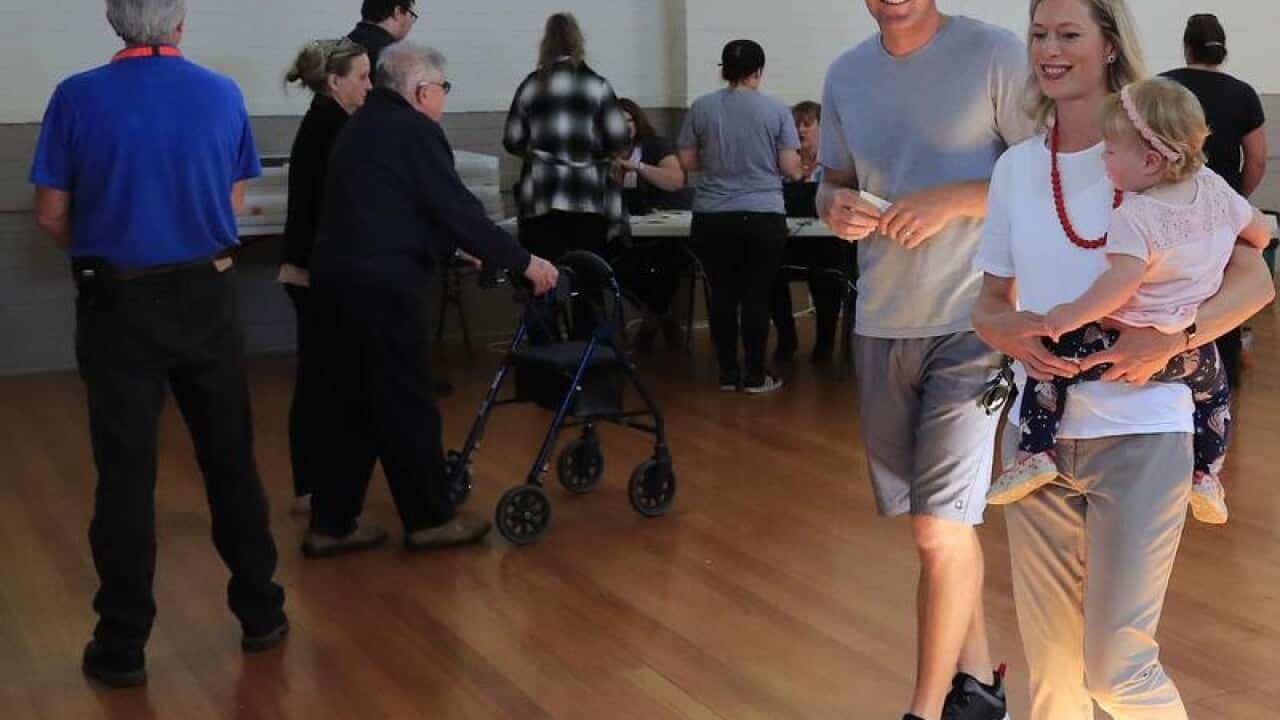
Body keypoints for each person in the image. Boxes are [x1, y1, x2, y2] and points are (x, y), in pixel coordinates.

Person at [971, 0, 1274, 715]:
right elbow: (988, 302)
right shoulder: (1016, 168)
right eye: (1038, 35)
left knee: (1119, 671)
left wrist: (1179, 337)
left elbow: (1256, 279)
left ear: (1110, 45)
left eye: (1068, 34)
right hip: (1037, 443)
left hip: (1145, 434)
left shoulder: (1162, 157)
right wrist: (1006, 331)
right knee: (1053, 678)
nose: (1049, 49)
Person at [29, 0, 288, 688]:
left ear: (115, 22)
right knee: (230, 462)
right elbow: (233, 201)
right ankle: (261, 612)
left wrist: (102, 245)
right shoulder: (222, 93)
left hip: (116, 303)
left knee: (124, 476)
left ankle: (122, 645)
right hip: (207, 295)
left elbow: (51, 215)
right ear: (180, 23)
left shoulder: (75, 97)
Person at [816, 2, 1033, 717]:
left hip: (975, 320)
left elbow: (1047, 176)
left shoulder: (994, 54)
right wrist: (833, 206)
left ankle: (925, 709)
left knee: (936, 527)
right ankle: (981, 690)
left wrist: (954, 201)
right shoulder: (847, 74)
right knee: (944, 526)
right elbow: (832, 180)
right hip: (883, 319)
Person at [303, 42, 559, 556]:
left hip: (336, 279)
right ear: (422, 91)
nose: (443, 97)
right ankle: (429, 519)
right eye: (444, 88)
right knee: (406, 401)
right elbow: (455, 207)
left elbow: (393, 205)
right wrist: (525, 262)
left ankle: (331, 523)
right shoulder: (414, 129)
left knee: (352, 404)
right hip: (381, 285)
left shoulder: (362, 123)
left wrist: (452, 249)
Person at [988, 77, 1272, 526]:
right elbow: (1259, 235)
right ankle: (1206, 474)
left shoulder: (1137, 216)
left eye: (1110, 152)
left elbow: (1118, 286)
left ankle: (1035, 452)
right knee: (1215, 398)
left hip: (1121, 339)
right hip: (1192, 349)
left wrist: (1068, 315)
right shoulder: (1218, 193)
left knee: (1051, 366)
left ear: (1151, 160)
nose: (1103, 161)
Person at [278, 38, 372, 517]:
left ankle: (316, 481)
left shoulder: (328, 121)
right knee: (322, 380)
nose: (370, 86)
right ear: (334, 81)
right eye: (363, 77)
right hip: (318, 273)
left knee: (321, 377)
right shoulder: (333, 128)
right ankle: (315, 484)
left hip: (314, 268)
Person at [679, 39, 803, 394]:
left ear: (724, 70)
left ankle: (727, 372)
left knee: (721, 294)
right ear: (758, 71)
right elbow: (789, 167)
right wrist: (795, 169)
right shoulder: (776, 110)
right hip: (763, 214)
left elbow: (687, 162)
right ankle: (755, 374)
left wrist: (717, 163)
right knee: (756, 295)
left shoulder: (701, 107)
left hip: (712, 215)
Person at [1163, 13, 1269, 388]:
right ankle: (1223, 375)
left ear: (1186, 47)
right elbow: (1257, 159)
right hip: (1223, 215)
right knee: (1223, 292)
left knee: (1170, 290)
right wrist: (1238, 200)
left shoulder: (1162, 88)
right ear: (1223, 49)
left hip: (1167, 209)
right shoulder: (1243, 94)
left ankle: (1169, 369)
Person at [503, 13, 631, 263]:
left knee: (545, 277)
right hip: (587, 198)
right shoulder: (598, 86)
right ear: (578, 42)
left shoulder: (531, 85)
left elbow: (511, 139)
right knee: (586, 275)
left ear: (545, 43)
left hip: (541, 196)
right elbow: (619, 140)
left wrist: (540, 154)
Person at [611, 97, 689, 351]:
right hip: (623, 228)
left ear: (637, 122)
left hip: (663, 227)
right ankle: (659, 314)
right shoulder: (602, 150)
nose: (624, 127)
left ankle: (651, 321)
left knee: (669, 257)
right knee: (615, 260)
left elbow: (676, 180)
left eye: (628, 121)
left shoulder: (656, 145)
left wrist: (638, 167)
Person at [771, 100, 845, 367]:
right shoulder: (780, 165)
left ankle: (825, 342)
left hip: (827, 247)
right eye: (795, 125)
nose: (800, 130)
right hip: (789, 245)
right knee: (769, 272)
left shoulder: (835, 167)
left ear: (822, 129)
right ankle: (786, 338)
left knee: (827, 277)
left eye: (807, 124)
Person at [348, 0, 417, 72]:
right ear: (397, 12)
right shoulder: (394, 57)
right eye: (412, 15)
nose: (412, 22)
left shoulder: (345, 44)